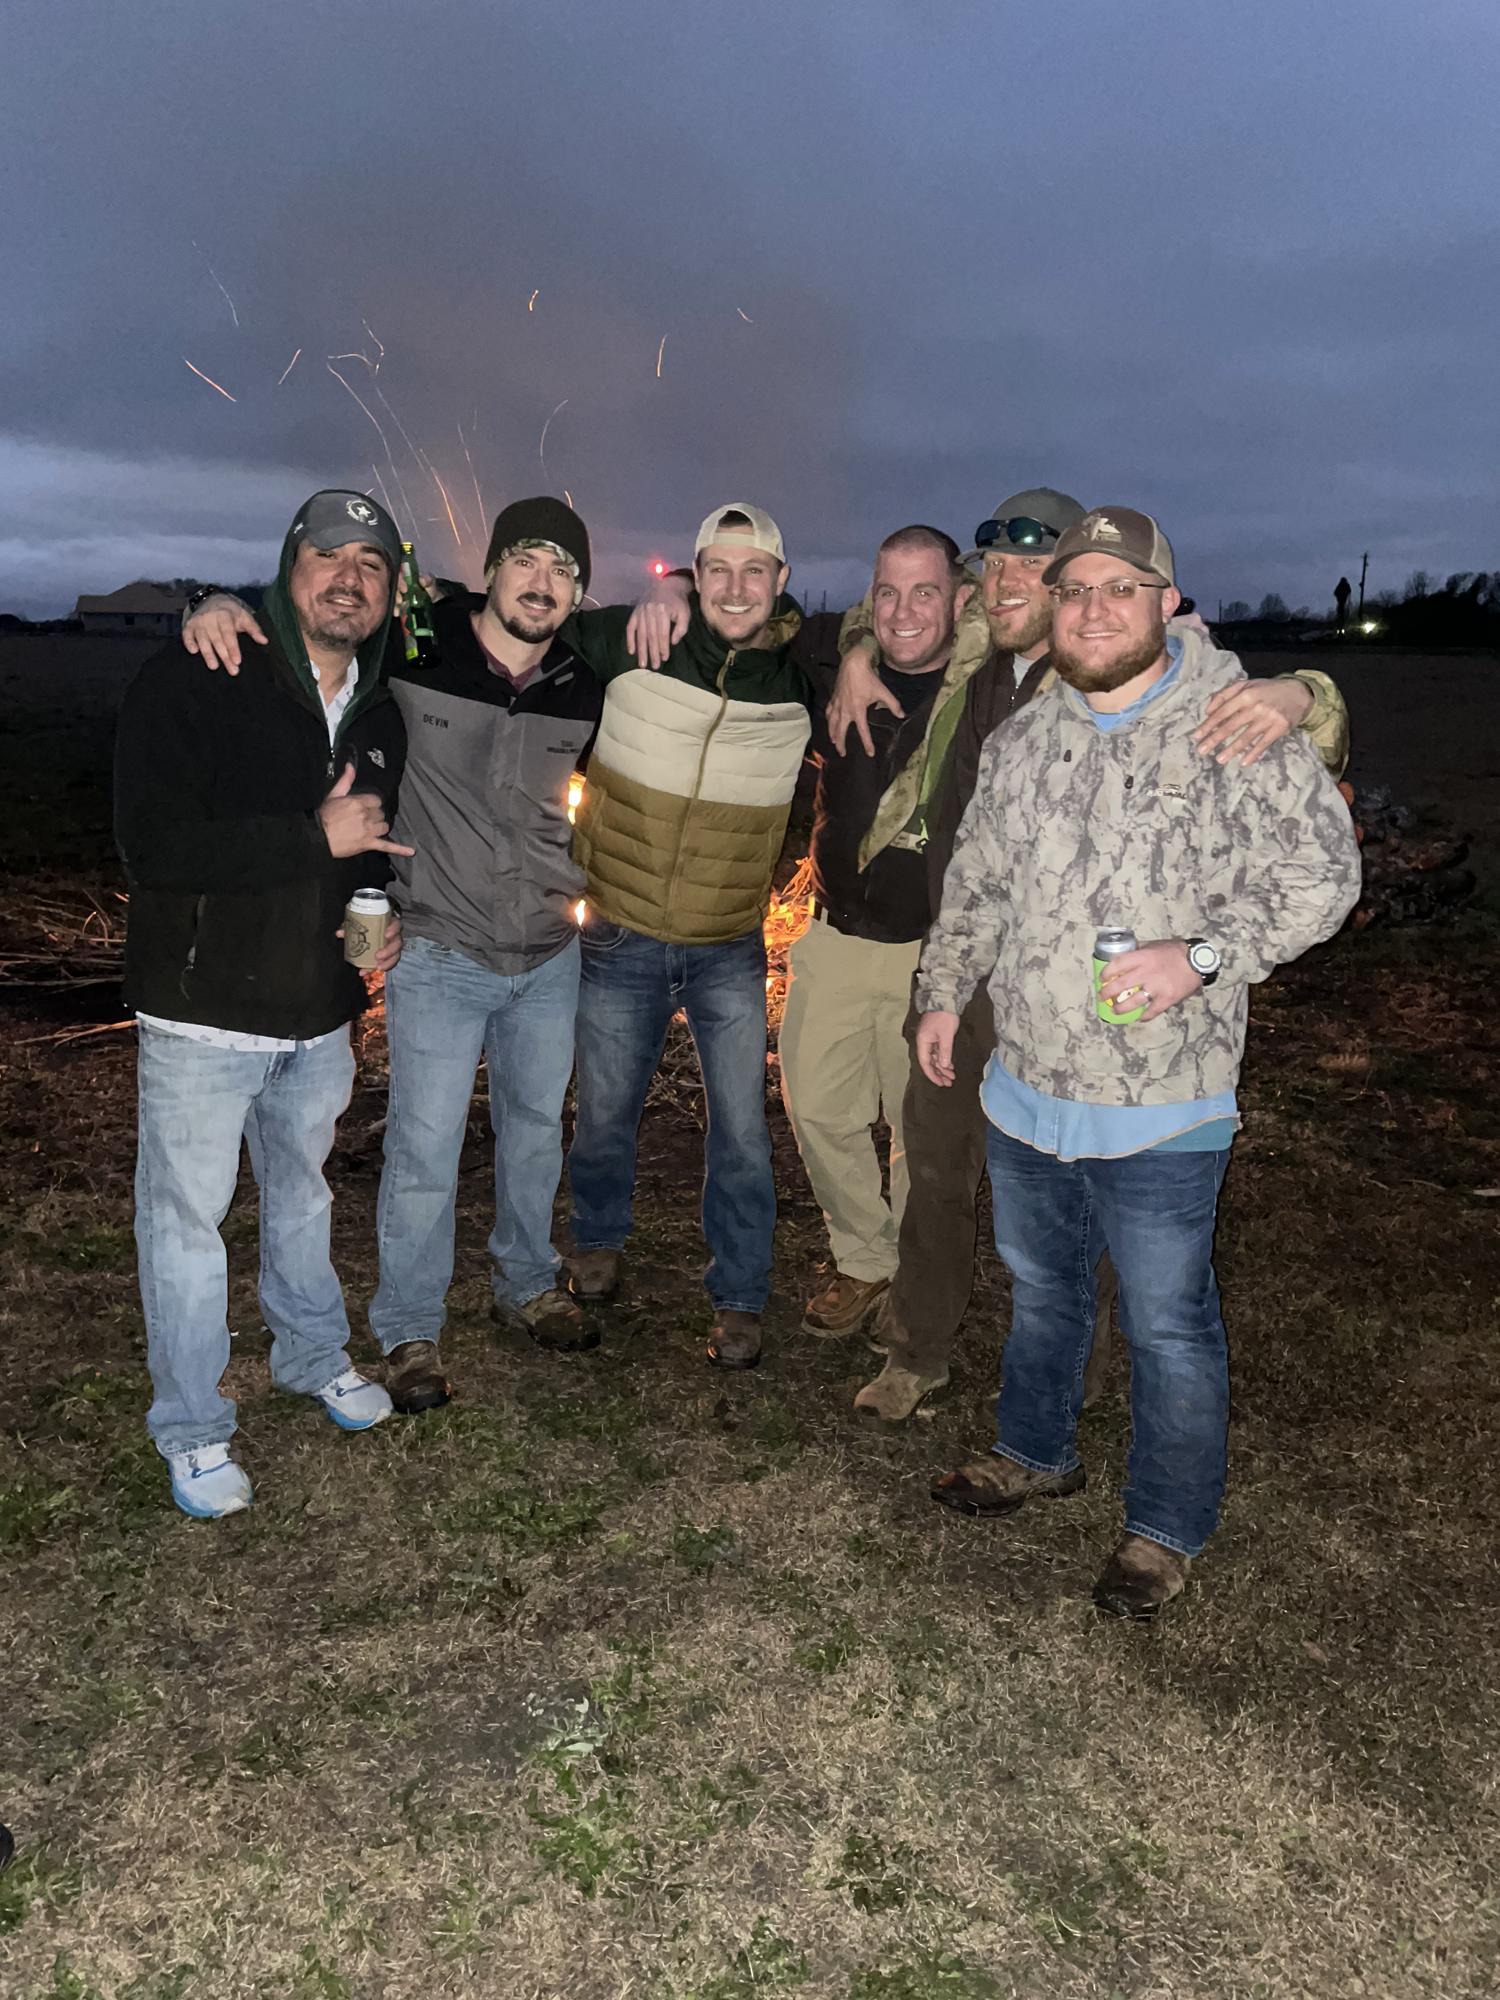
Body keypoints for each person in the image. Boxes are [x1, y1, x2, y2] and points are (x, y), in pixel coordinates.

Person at [915, 506, 1362, 1617]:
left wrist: (1199, 957)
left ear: (1167, 601)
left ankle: (1165, 1524)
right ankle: (1034, 1450)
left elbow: (1324, 878)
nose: (1094, 609)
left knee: (1168, 1323)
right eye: (1075, 589)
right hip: (1028, 1083)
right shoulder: (1026, 737)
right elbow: (976, 881)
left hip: (1165, 1097)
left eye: (1122, 588)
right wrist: (943, 991)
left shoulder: (1233, 725)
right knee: (1043, 1290)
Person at [822, 489, 1351, 1421]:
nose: (1010, 583)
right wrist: (856, 652)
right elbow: (887, 618)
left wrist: (1309, 692)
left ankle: (1080, 1382)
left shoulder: (1131, 669)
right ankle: (919, 1350)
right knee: (937, 1170)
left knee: (1099, 1207)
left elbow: (1297, 799)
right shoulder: (978, 666)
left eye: (1035, 568)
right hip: (974, 972)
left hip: (1103, 1000)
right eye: (997, 567)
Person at [180, 499, 602, 1407]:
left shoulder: (583, 679)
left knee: (536, 1132)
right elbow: (315, 624)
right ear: (491, 570)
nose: (542, 584)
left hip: (547, 952)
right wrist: (211, 601)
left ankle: (528, 1283)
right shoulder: (414, 650)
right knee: (424, 1147)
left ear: (580, 594)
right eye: (526, 561)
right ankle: (410, 1326)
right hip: (440, 950)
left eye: (563, 571)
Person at [116, 490, 410, 1518]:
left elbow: (364, 848)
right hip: (202, 1011)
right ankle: (193, 1427)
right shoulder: (201, 672)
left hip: (317, 1011)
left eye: (371, 565)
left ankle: (312, 1354)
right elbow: (152, 846)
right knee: (186, 1226)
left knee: (303, 1197)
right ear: (289, 568)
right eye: (328, 556)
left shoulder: (379, 708)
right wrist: (310, 837)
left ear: (391, 592)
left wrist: (377, 917)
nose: (348, 578)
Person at [561, 506, 812, 1372]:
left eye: (756, 571)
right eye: (718, 570)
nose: (736, 589)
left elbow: (909, 642)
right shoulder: (634, 641)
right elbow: (505, 624)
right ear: (695, 576)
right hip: (619, 932)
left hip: (727, 944)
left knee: (742, 1133)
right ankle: (597, 1238)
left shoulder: (803, 679)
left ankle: (740, 1291)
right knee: (604, 1115)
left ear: (781, 583)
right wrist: (657, 591)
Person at [777, 526, 975, 1340]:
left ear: (960, 599)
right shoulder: (835, 662)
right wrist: (662, 592)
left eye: (925, 591)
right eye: (887, 592)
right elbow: (748, 616)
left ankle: (909, 1277)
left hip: (931, 955)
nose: (904, 611)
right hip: (833, 936)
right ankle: (865, 1256)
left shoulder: (987, 690)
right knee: (817, 1107)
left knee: (917, 1131)